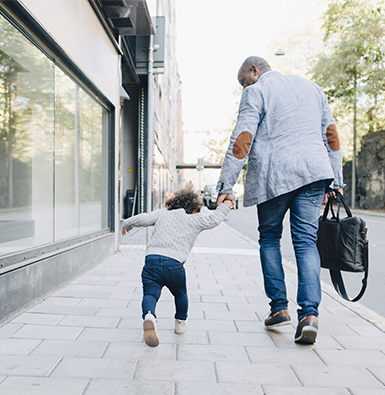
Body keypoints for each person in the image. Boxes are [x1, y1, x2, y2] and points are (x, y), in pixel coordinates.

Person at [216, 56, 344, 345]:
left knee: (270, 238)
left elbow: (243, 137)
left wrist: (226, 186)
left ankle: (279, 309)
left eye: (243, 82)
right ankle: (309, 315)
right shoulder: (313, 89)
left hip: (275, 175)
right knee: (306, 242)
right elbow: (331, 136)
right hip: (314, 172)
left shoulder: (256, 91)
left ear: (254, 70)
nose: (243, 88)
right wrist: (335, 180)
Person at [122, 188, 233, 347]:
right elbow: (213, 220)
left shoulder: (163, 213)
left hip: (151, 260)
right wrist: (226, 205)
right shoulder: (195, 219)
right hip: (174, 264)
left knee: (150, 294)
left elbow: (144, 218)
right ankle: (180, 323)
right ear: (194, 208)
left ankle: (149, 315)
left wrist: (127, 223)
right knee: (180, 293)